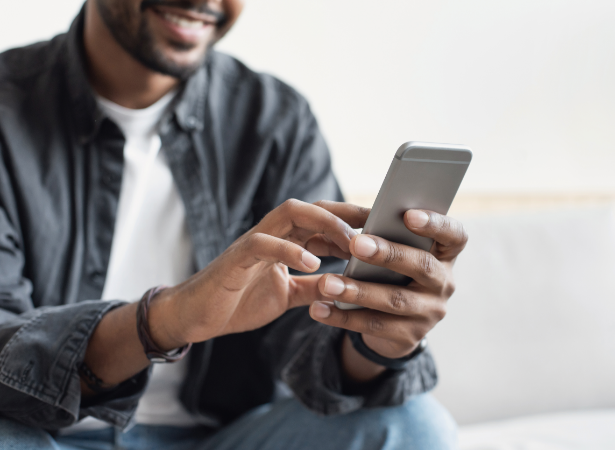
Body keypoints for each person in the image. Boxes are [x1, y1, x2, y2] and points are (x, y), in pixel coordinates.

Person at [0, 0, 468, 448]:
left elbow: (313, 347)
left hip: (221, 439)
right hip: (41, 436)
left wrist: (377, 344)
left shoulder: (275, 121)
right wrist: (167, 320)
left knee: (413, 426)